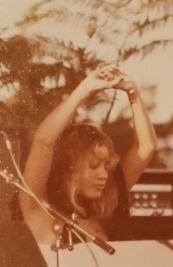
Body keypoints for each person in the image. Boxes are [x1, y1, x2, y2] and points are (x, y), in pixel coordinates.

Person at [19, 65, 157, 245]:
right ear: (68, 167)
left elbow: (147, 147)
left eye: (105, 166)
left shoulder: (101, 212)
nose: (104, 174)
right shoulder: (39, 209)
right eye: (93, 166)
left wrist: (133, 94)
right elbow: (43, 142)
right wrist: (84, 89)